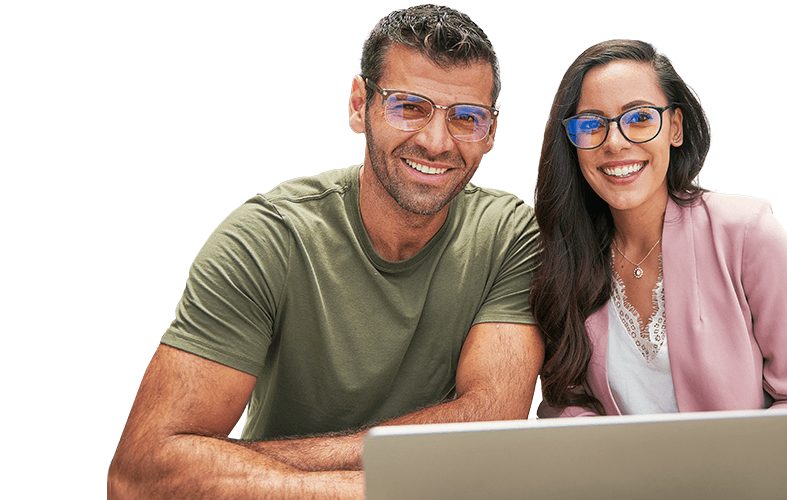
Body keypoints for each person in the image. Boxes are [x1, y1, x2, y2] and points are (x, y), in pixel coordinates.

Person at [108, 5, 543, 499]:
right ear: (360, 105)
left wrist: (241, 463)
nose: (437, 142)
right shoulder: (266, 239)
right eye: (409, 107)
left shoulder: (511, 236)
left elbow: (489, 420)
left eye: (467, 117)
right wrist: (371, 489)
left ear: (491, 130)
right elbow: (139, 475)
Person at [531, 39, 787, 418]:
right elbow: (566, 403)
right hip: (616, 478)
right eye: (591, 125)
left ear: (674, 127)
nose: (614, 142)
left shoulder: (748, 235)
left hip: (740, 476)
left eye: (639, 118)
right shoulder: (564, 257)